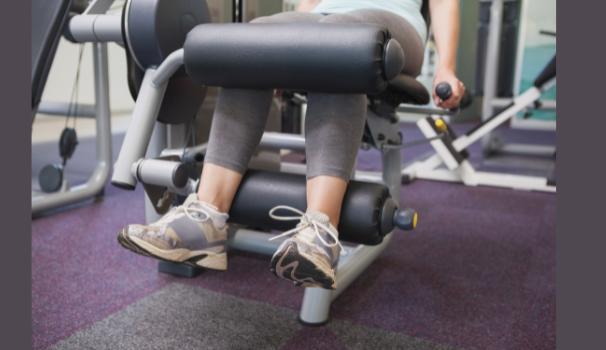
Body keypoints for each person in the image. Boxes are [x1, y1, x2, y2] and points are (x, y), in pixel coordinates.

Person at [118, 0, 464, 289]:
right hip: (325, 15)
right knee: (253, 40)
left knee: (337, 40)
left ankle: (320, 233)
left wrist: (446, 67)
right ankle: (205, 219)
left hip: (394, 22)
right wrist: (286, 50)